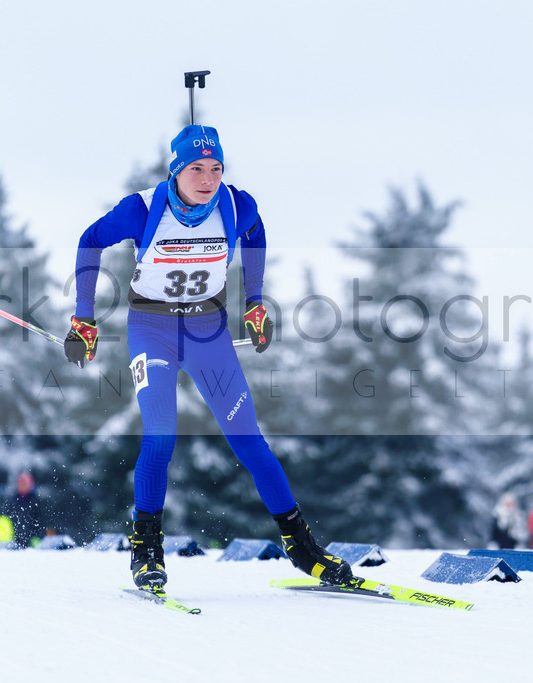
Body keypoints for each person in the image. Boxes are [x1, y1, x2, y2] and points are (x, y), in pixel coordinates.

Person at [65, 124, 354, 591]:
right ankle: (146, 550)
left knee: (249, 441)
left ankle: (301, 546)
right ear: (176, 171)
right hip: (153, 330)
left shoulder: (237, 206)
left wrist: (255, 302)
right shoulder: (142, 209)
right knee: (160, 436)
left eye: (216, 168)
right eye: (196, 168)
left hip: (208, 331)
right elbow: (90, 239)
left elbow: (256, 233)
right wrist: (84, 317)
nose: (208, 179)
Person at [1, 472, 45, 549]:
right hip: (14, 540)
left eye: (24, 483)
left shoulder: (35, 501)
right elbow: (7, 518)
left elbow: (40, 521)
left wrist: (38, 537)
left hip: (32, 540)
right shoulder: (12, 500)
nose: (22, 486)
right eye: (20, 483)